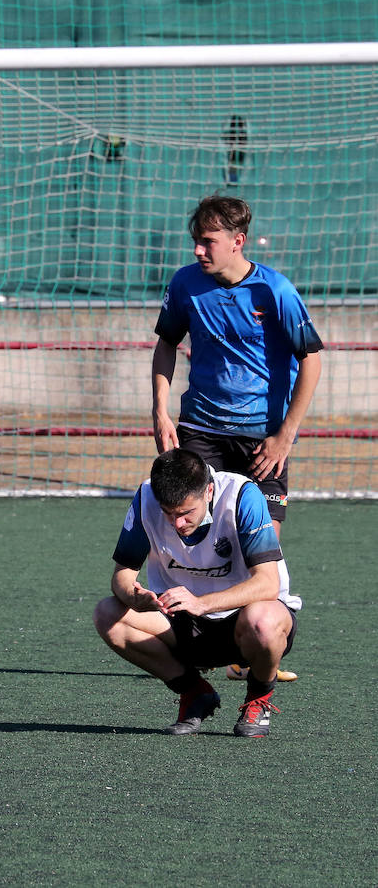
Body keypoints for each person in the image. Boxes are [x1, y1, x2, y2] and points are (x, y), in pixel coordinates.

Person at [150, 195, 322, 682]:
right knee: (193, 536)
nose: (199, 251)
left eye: (208, 242)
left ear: (237, 241)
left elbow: (311, 359)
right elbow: (166, 344)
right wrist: (160, 410)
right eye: (196, 242)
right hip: (200, 430)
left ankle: (257, 648)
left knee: (262, 546)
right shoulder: (185, 284)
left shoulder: (276, 291)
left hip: (261, 442)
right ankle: (203, 644)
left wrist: (284, 435)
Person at [93, 448, 301, 737]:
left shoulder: (242, 495)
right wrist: (134, 596)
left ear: (209, 491)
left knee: (263, 620)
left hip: (243, 624)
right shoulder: (146, 497)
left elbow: (268, 584)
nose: (177, 524)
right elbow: (122, 576)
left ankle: (258, 699)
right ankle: (194, 693)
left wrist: (202, 603)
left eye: (185, 512)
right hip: (181, 622)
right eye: (169, 513)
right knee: (108, 614)